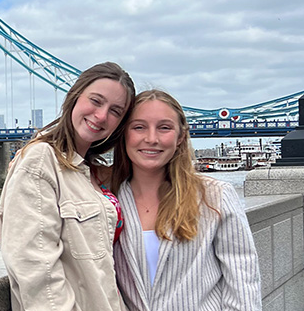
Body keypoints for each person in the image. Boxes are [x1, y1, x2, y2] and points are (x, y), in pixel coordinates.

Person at [0, 62, 135, 311]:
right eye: (95, 100)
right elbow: (35, 268)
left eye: (115, 111)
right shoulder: (41, 159)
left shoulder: (90, 171)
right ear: (74, 96)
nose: (102, 115)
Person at [110, 90, 261, 310]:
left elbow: (243, 281)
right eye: (139, 127)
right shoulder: (107, 201)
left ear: (180, 136)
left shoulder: (216, 196)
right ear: (124, 134)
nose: (151, 139)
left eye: (164, 127)